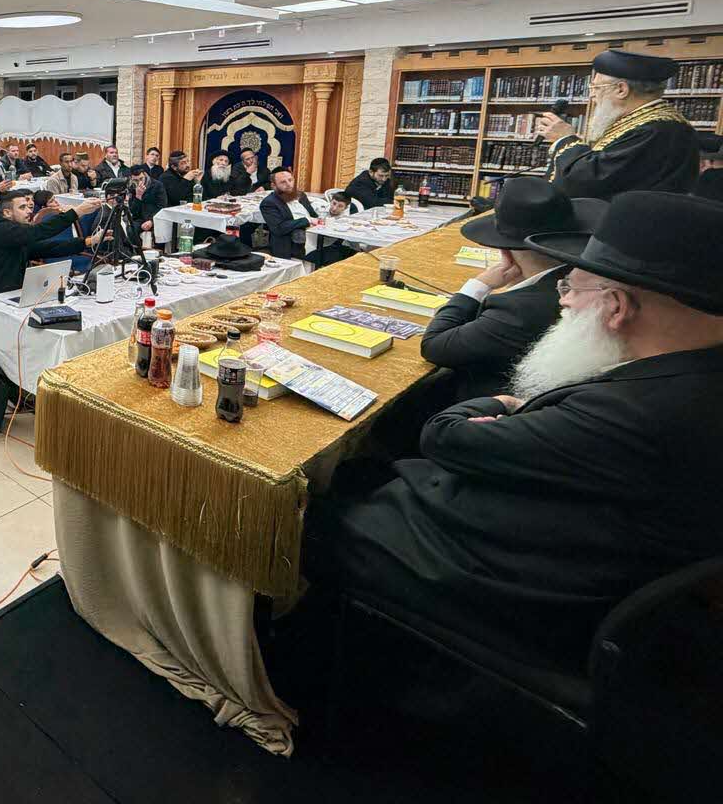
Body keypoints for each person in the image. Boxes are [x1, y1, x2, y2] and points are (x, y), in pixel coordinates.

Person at [303, 190, 723, 673]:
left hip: (520, 592)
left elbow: (448, 437)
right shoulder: (690, 375)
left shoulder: (629, 413)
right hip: (590, 565)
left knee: (320, 510)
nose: (563, 302)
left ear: (616, 308)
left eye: (571, 288)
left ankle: (299, 660)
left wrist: (503, 403)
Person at [418, 179, 602, 402]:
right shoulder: (585, 277)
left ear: (505, 252)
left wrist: (478, 285)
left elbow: (434, 346)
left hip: (489, 405)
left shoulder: (518, 308)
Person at [543, 49, 699, 198]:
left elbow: (589, 180)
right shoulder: (644, 122)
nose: (592, 95)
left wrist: (565, 139)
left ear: (621, 90)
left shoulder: (655, 129)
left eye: (596, 87)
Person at [0, 189, 102, 300]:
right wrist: (76, 212)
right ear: (7, 212)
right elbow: (40, 231)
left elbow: (48, 248)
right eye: (22, 208)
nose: (29, 211)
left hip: (9, 293)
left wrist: (89, 241)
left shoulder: (16, 231)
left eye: (28, 207)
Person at [259, 168, 351, 264]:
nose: (289, 184)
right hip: (293, 245)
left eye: (290, 180)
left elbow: (313, 215)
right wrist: (307, 220)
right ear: (274, 186)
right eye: (283, 182)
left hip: (317, 237)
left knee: (349, 252)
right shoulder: (269, 203)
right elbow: (279, 228)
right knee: (338, 257)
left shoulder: (300, 195)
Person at [127, 164, 167, 235]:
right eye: (136, 180)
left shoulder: (157, 185)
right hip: (139, 219)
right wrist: (138, 197)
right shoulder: (132, 187)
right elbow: (133, 211)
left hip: (155, 217)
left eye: (141, 179)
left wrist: (151, 221)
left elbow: (162, 206)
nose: (140, 182)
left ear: (145, 175)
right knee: (130, 230)